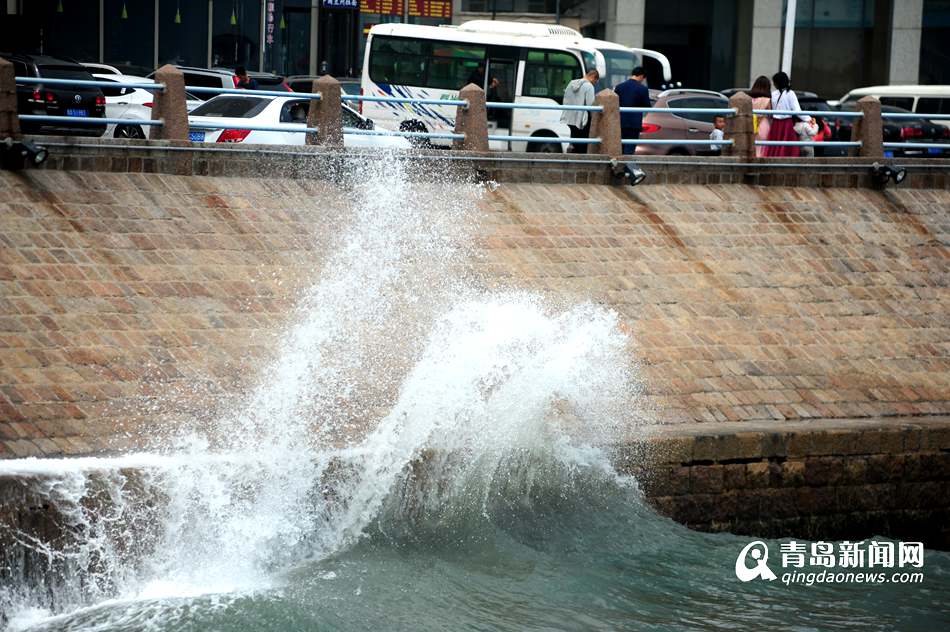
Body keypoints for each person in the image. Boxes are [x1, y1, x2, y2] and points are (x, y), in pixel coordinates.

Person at [763, 71, 807, 158]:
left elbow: (770, 110)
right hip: (786, 123)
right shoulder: (790, 93)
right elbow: (797, 111)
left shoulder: (773, 94)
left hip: (775, 123)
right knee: (787, 147)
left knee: (774, 145)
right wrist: (809, 119)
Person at [561, 69, 599, 154]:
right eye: (595, 82)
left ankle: (573, 160)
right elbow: (590, 105)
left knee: (574, 140)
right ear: (593, 77)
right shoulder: (589, 86)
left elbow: (566, 99)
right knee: (582, 142)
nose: (594, 84)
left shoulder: (571, 83)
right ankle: (581, 162)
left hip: (570, 117)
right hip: (582, 119)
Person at [614, 66, 651, 155]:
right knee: (630, 149)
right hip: (634, 123)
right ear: (641, 76)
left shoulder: (619, 87)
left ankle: (619, 167)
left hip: (620, 122)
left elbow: (614, 103)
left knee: (620, 148)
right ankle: (627, 167)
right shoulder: (643, 89)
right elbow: (647, 106)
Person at [747, 75, 772, 158]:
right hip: (763, 124)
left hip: (751, 123)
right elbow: (770, 113)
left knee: (751, 145)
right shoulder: (767, 100)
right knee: (762, 147)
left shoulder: (748, 99)